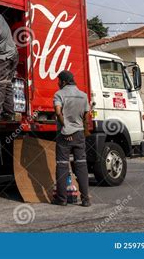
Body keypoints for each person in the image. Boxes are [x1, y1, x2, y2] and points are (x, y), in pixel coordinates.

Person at [53, 70, 91, 207]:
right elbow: (86, 114)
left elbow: (58, 111)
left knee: (62, 165)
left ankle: (62, 199)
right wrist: (84, 130)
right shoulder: (83, 96)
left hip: (64, 135)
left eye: (59, 81)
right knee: (81, 165)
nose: (58, 83)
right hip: (79, 134)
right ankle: (86, 199)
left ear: (63, 81)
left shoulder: (59, 94)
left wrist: (66, 128)